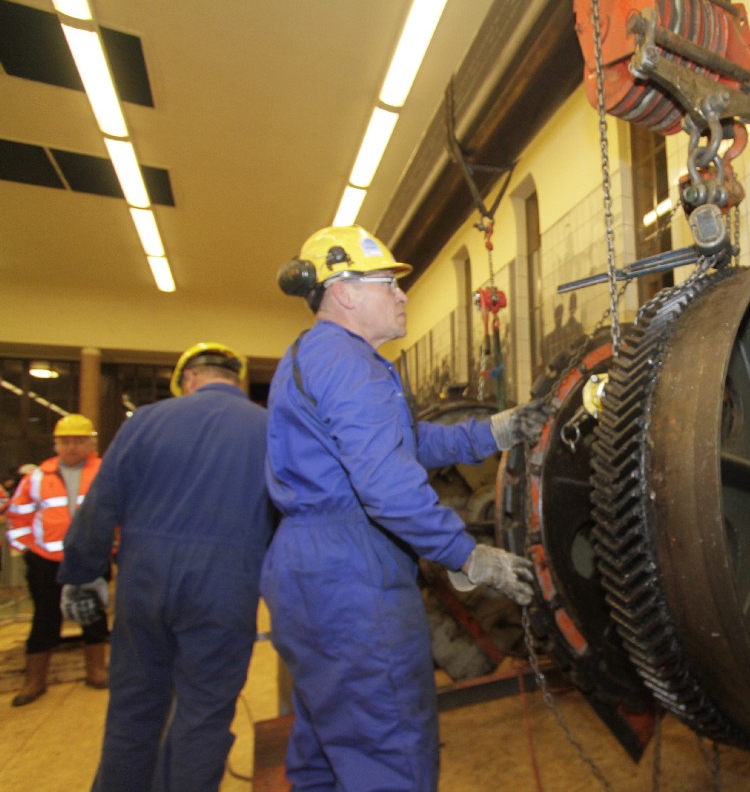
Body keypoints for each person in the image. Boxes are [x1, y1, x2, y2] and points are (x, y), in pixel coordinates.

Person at [267, 225, 549, 789]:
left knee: (326, 740)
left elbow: (407, 443)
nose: (401, 295)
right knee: (389, 747)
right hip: (351, 574)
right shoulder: (348, 363)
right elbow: (385, 483)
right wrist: (467, 555)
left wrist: (496, 430)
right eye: (387, 284)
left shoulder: (316, 355)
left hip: (307, 571)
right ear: (345, 291)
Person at [58, 342, 275, 791]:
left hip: (145, 581)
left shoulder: (146, 421)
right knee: (204, 713)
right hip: (225, 586)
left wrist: (82, 575)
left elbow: (102, 502)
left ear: (188, 379)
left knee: (133, 707)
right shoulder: (269, 428)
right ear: (235, 379)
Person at [5, 413, 109, 705]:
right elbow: (19, 515)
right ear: (56, 444)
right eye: (66, 441)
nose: (72, 447)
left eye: (78, 441)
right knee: (45, 617)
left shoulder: (105, 474)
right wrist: (26, 549)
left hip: (89, 558)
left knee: (93, 614)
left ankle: (96, 670)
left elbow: (118, 513)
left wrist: (114, 546)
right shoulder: (37, 478)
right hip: (45, 560)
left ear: (91, 444)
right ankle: (34, 681)